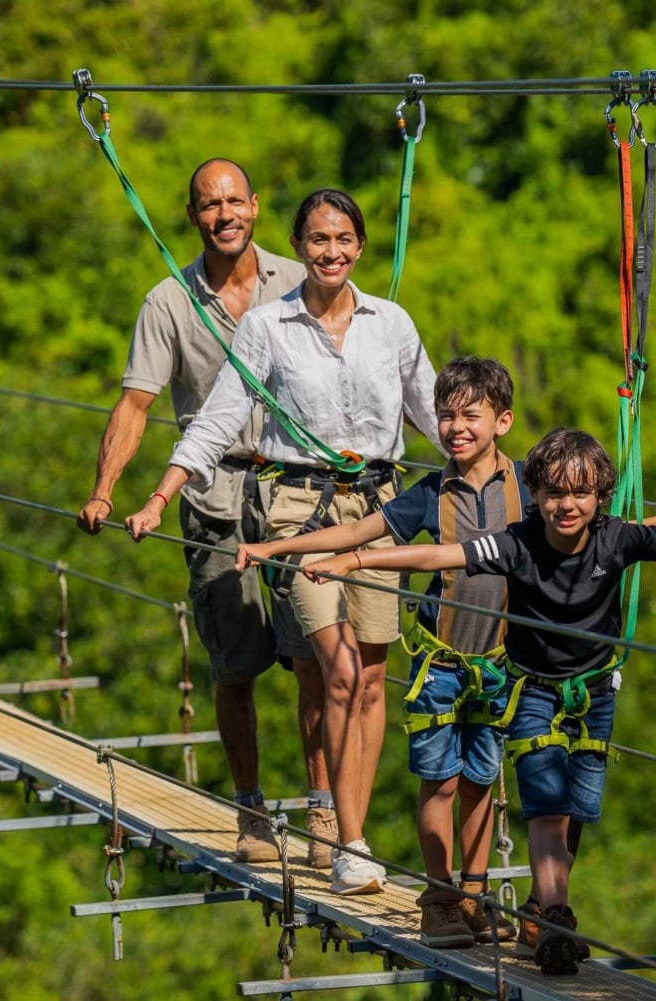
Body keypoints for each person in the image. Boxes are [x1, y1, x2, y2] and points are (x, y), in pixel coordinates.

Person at [301, 427, 656, 972]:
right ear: (536, 494)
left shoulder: (616, 538)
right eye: (555, 494)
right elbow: (439, 555)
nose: (567, 506)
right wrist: (354, 563)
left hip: (594, 694)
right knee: (546, 808)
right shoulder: (517, 542)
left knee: (578, 813)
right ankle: (557, 919)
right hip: (533, 692)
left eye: (580, 495)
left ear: (599, 498)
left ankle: (542, 909)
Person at [242, 362, 656, 947]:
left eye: (470, 416)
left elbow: (589, 527)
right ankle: (439, 895)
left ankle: (475, 892)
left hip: (501, 665)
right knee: (439, 779)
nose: (455, 428)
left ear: (502, 422)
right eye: (446, 417)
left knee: (482, 781)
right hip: (442, 661)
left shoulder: (531, 490)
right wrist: (278, 545)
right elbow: (360, 534)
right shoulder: (432, 495)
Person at [125, 187, 440, 895]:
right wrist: (158, 494)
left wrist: (501, 488)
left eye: (344, 240)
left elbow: (435, 414)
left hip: (382, 508)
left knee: (369, 678)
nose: (331, 252)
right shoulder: (268, 326)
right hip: (300, 510)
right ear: (297, 247)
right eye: (318, 240)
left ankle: (342, 818)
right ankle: (349, 839)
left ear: (360, 247)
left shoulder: (391, 324)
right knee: (335, 667)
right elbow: (217, 416)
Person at [76, 158, 321, 866]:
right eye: (210, 205)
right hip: (214, 495)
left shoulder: (298, 279)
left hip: (298, 494)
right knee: (234, 662)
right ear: (193, 217)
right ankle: (251, 810)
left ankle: (323, 811)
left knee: (315, 655)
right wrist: (105, 489)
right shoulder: (169, 302)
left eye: (234, 201)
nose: (224, 215)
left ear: (256, 206)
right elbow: (135, 404)